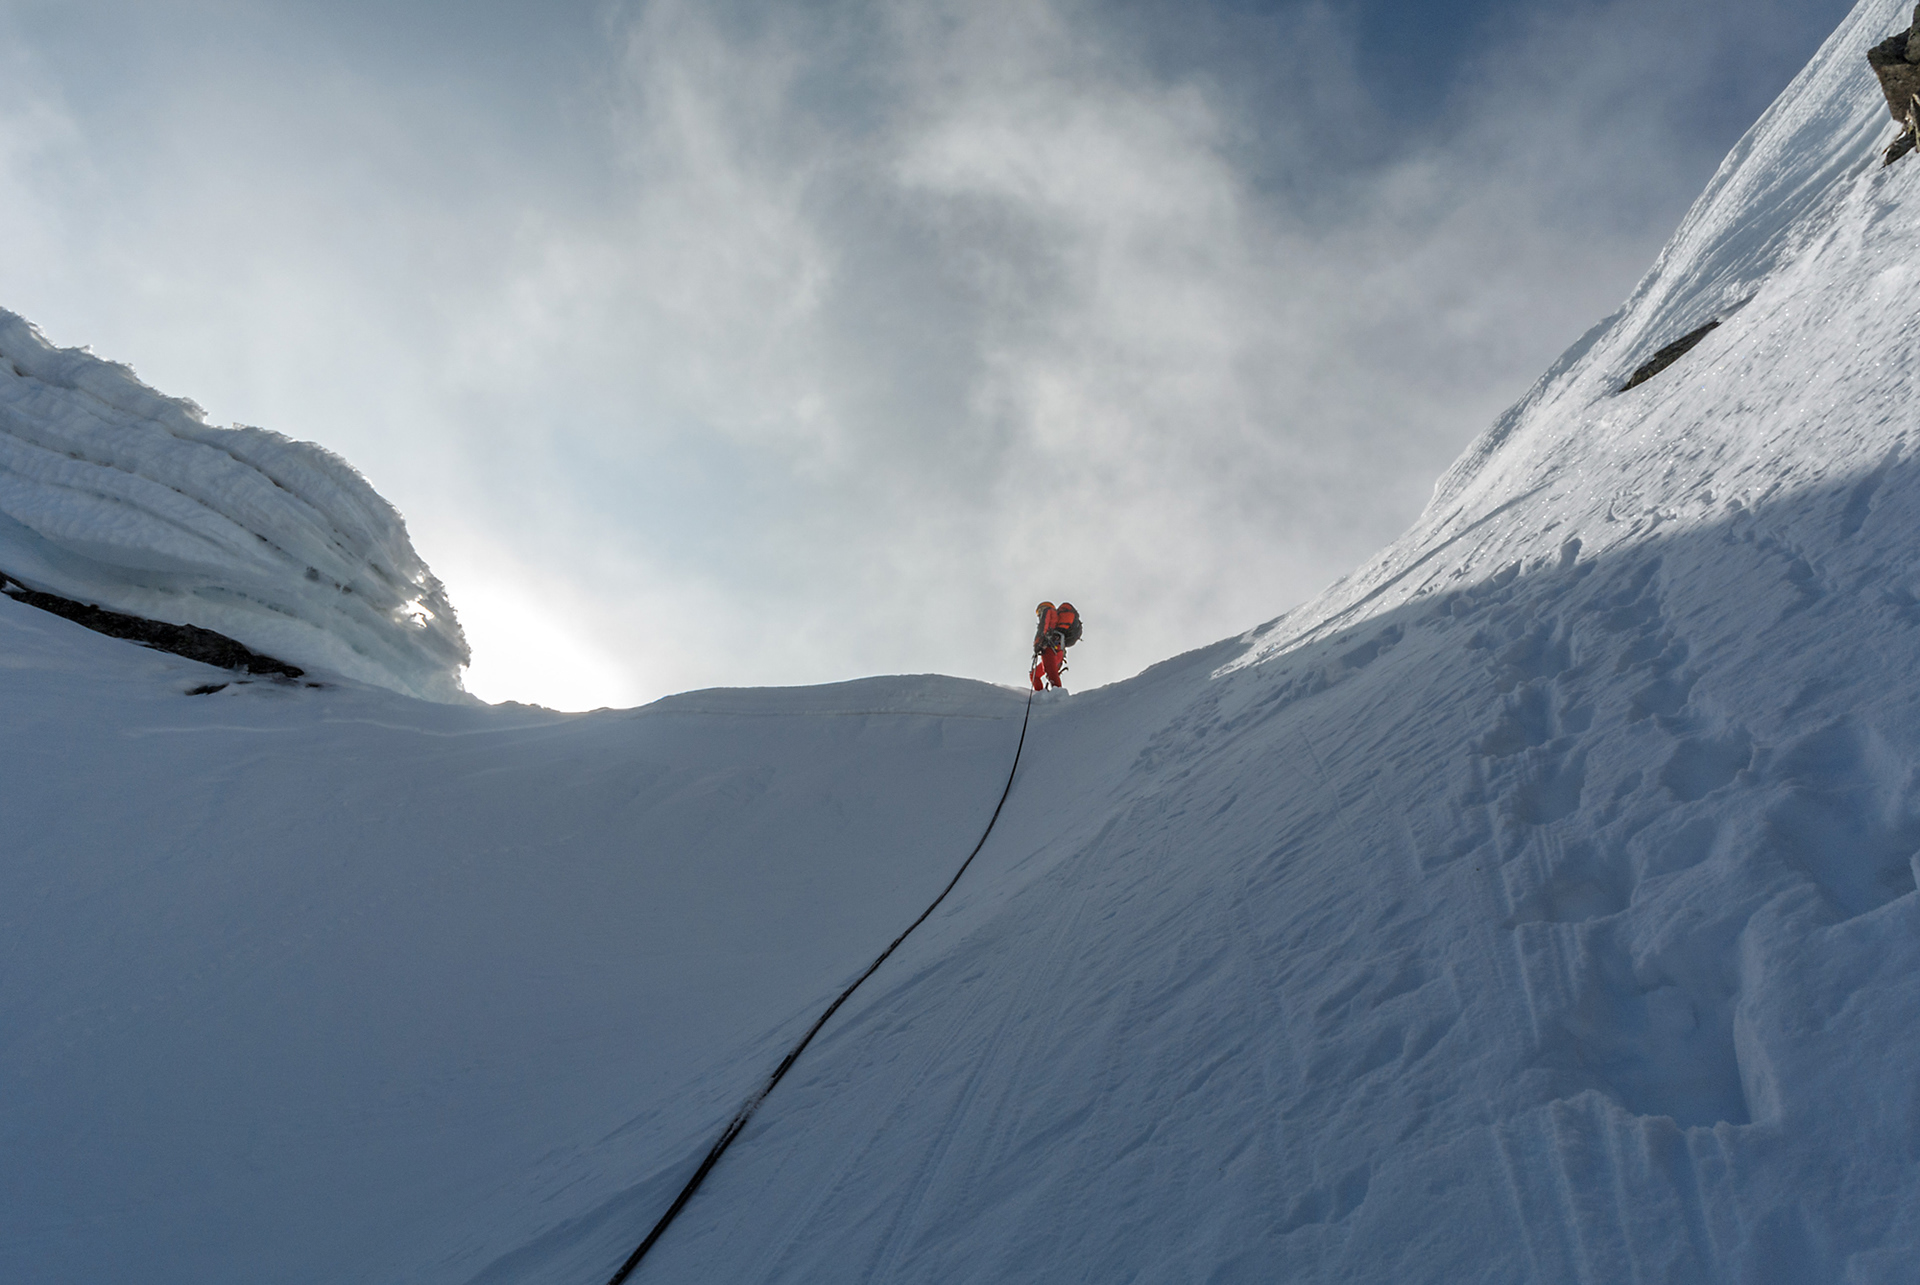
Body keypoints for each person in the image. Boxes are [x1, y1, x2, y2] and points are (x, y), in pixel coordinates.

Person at [1030, 600, 1082, 690]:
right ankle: (1041, 694)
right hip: (1059, 651)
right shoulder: (1058, 621)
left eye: (1039, 612)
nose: (1039, 616)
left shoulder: (1048, 611)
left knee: (1050, 672)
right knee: (1035, 674)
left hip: (1050, 646)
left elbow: (1043, 626)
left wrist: (1037, 643)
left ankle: (1057, 694)